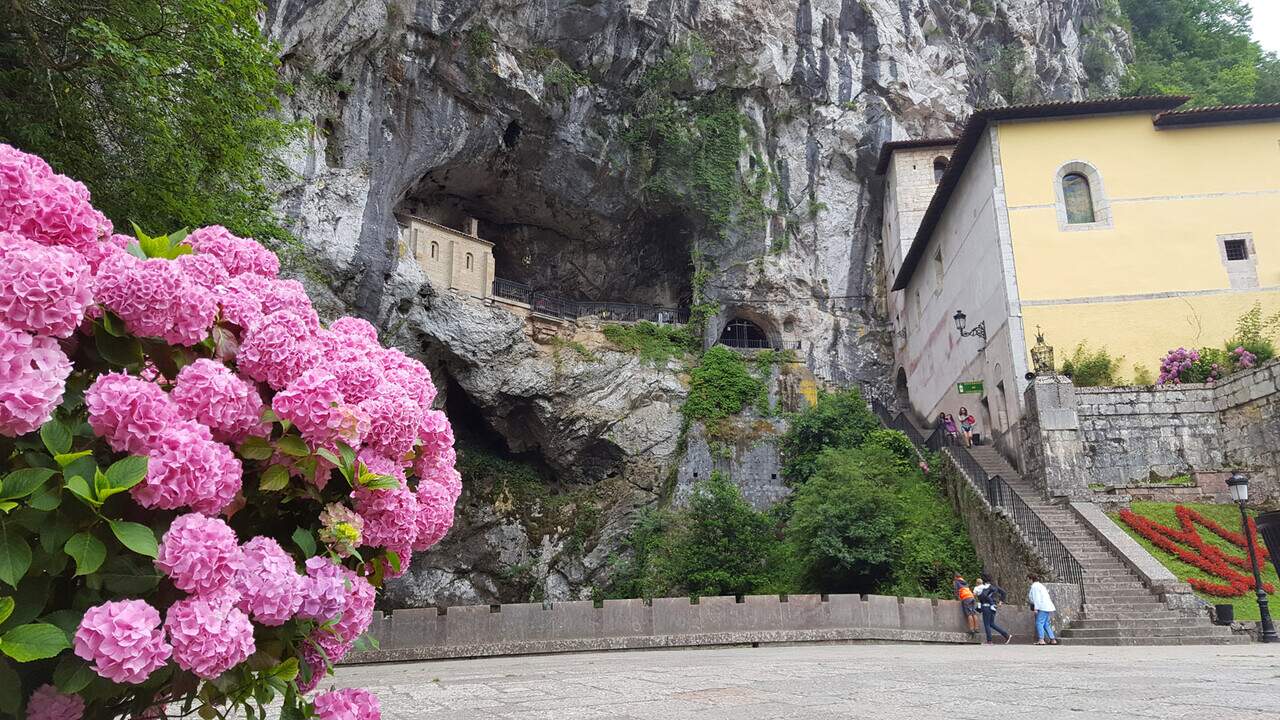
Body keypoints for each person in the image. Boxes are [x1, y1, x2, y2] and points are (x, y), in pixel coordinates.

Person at [972, 575, 1012, 644]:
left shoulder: (982, 588)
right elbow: (1004, 593)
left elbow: (976, 595)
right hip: (993, 607)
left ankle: (989, 641)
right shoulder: (994, 587)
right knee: (992, 624)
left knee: (987, 624)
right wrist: (1000, 602)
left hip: (986, 606)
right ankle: (1006, 635)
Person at [1027, 573, 1059, 645]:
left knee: (1039, 622)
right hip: (1047, 606)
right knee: (1045, 624)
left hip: (1042, 606)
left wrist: (1036, 608)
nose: (1028, 581)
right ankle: (1052, 639)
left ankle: (1041, 639)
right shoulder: (1040, 585)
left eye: (1028, 579)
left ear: (1031, 579)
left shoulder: (1034, 587)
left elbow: (1036, 598)